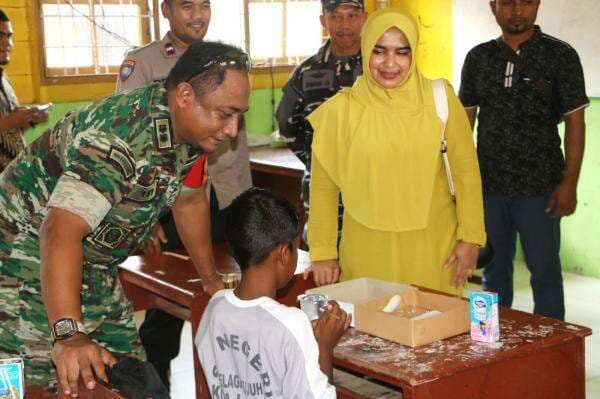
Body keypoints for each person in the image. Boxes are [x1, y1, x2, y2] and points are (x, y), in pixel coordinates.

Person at [0, 41, 251, 395]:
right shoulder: (115, 140)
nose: (232, 129)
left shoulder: (189, 131)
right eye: (225, 113)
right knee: (31, 385)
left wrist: (208, 278)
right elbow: (59, 232)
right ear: (184, 95)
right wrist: (69, 333)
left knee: (129, 378)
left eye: (239, 115)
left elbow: (189, 200)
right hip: (17, 261)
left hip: (91, 263)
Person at [116, 0, 252, 386]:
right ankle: (155, 388)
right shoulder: (144, 64)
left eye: (205, 5)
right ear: (165, 10)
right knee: (167, 311)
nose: (198, 15)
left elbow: (231, 143)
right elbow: (129, 147)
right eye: (187, 5)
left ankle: (232, 386)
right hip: (168, 207)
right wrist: (147, 220)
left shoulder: (228, 63)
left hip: (227, 197)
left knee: (233, 296)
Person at [305, 7, 486, 294]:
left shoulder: (440, 99)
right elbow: (324, 188)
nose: (390, 63)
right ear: (366, 50)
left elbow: (467, 172)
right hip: (366, 250)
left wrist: (471, 238)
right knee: (371, 332)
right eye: (379, 51)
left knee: (435, 331)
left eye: (402, 52)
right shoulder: (341, 110)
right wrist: (323, 252)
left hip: (433, 248)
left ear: (414, 54)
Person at [459, 0, 588, 320]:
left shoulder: (561, 56)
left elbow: (575, 123)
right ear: (493, 6)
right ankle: (490, 346)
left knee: (545, 273)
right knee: (492, 273)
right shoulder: (478, 58)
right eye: (508, 2)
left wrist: (569, 183)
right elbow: (464, 126)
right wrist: (461, 190)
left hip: (541, 188)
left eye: (526, 1)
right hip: (488, 188)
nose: (517, 10)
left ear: (538, 4)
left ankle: (551, 352)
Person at [196, 188, 350, 398]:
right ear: (284, 254)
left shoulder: (214, 308)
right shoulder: (292, 323)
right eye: (296, 248)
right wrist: (323, 346)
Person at [276, 0, 366, 241]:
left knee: (374, 259)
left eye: (352, 15)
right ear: (323, 21)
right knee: (324, 256)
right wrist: (317, 158)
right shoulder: (306, 72)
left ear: (364, 18)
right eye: (335, 16)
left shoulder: (380, 67)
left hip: (373, 185)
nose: (344, 24)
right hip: (322, 188)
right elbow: (285, 121)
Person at [0, 9, 48, 172]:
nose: (8, 43)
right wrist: (10, 121)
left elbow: (9, 134)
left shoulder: (5, 81)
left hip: (12, 178)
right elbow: (7, 123)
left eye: (9, 36)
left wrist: (29, 120)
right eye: (0, 35)